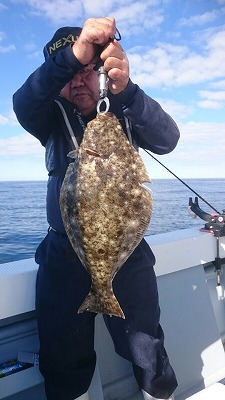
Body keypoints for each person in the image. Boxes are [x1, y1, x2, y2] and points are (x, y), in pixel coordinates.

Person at [13, 17, 179, 400]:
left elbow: (168, 139)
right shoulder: (47, 115)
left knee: (147, 349)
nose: (77, 82)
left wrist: (130, 92)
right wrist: (73, 57)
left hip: (125, 253)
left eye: (88, 72)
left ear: (103, 74)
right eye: (67, 74)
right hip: (62, 256)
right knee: (63, 357)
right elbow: (24, 100)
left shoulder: (124, 109)